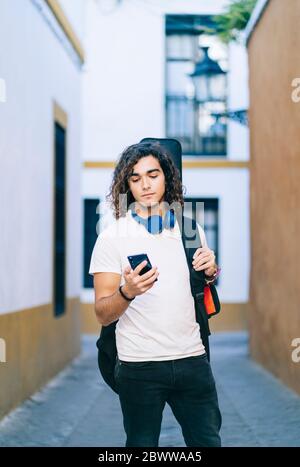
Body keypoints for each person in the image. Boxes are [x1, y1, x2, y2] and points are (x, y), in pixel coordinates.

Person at [89, 142, 222, 447]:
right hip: (139, 367)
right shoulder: (111, 238)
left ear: (167, 179)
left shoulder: (191, 230)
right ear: (126, 185)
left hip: (193, 360)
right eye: (135, 178)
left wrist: (212, 270)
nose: (146, 185)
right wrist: (127, 291)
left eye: (153, 174)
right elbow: (102, 312)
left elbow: (200, 284)